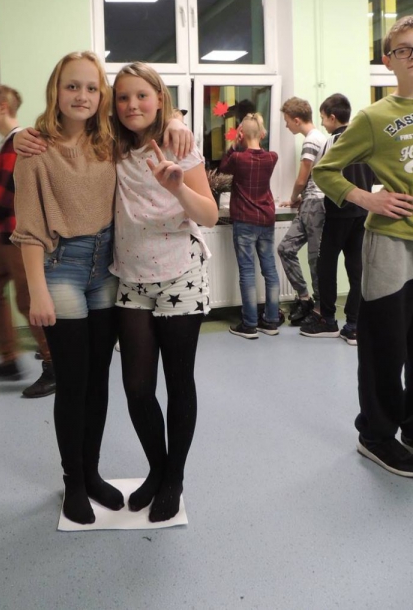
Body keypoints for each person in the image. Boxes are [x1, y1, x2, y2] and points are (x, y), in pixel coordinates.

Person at [12, 52, 193, 525]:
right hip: (62, 268)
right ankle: (74, 482)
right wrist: (37, 291)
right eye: (72, 87)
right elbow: (28, 229)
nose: (82, 96)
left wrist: (176, 118)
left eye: (92, 88)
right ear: (55, 91)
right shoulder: (34, 151)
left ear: (102, 97)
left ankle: (91, 473)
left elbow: (150, 113)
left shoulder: (108, 141)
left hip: (108, 270)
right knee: (72, 382)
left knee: (99, 380)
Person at [111, 62, 218, 523]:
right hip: (131, 279)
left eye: (142, 95)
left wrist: (178, 189)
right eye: (123, 97)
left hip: (181, 276)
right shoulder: (112, 147)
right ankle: (157, 469)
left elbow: (209, 215)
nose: (132, 104)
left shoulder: (180, 144)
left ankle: (174, 478)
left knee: (178, 381)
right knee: (137, 387)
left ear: (159, 98)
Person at [314, 15, 413, 478]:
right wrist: (368, 198)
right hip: (390, 245)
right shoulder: (375, 118)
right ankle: (375, 435)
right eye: (404, 49)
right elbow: (325, 170)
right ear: (388, 60)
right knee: (384, 346)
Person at [0, 84, 54, 398]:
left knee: (28, 301)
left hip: (17, 239)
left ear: (2, 107)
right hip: (1, 237)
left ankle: (54, 363)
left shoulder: (18, 143)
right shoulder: (8, 143)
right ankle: (9, 359)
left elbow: (9, 194)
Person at [300, 94, 374, 344]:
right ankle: (354, 325)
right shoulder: (365, 140)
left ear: (333, 118)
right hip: (362, 213)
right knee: (356, 268)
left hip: (338, 212)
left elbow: (320, 175)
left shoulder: (332, 141)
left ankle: (328, 320)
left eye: (323, 118)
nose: (322, 123)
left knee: (326, 265)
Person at [219, 113, 280, 339]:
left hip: (245, 220)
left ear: (241, 134)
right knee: (270, 270)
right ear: (262, 134)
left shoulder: (238, 158)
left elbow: (223, 168)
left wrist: (234, 145)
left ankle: (250, 324)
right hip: (266, 219)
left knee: (247, 271)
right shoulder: (272, 157)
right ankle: (271, 321)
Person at [277, 97, 326, 325]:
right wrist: (301, 199)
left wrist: (293, 197)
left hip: (316, 205)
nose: (286, 125)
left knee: (315, 259)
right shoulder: (317, 138)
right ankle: (305, 298)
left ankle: (319, 309)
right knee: (285, 248)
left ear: (297, 120)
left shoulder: (312, 140)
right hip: (309, 203)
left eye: (287, 121)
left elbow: (301, 178)